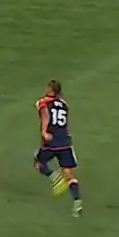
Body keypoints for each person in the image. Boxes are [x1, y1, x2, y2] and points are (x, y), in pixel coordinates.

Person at [34, 79, 83, 217]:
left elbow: (45, 115)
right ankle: (77, 202)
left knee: (38, 162)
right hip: (65, 141)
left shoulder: (43, 102)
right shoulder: (64, 104)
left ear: (51, 90)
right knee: (70, 175)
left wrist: (44, 132)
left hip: (51, 141)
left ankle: (55, 178)